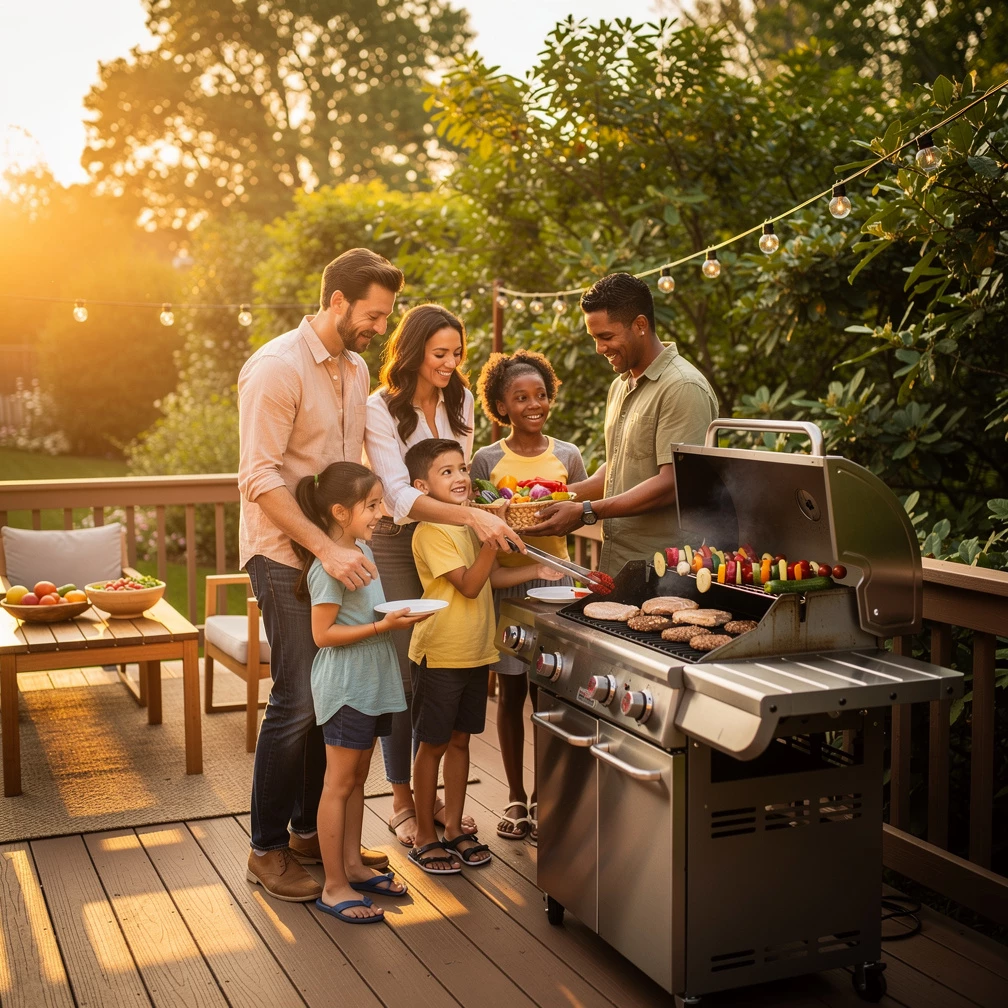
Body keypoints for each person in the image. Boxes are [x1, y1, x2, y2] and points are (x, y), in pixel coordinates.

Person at [239, 248, 404, 902]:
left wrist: (375, 512)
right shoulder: (276, 369)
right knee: (298, 699)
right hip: (284, 555)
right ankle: (266, 849)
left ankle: (311, 830)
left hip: (333, 556)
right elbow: (259, 479)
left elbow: (352, 460)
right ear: (336, 301)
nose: (379, 329)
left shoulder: (358, 368)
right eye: (372, 315)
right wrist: (325, 551)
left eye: (385, 317)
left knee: (329, 694)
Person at [364, 304, 524, 848]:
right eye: (440, 354)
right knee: (408, 674)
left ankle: (434, 797)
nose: (451, 364)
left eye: (457, 353)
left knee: (446, 670)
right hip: (396, 540)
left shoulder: (457, 399)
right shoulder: (379, 408)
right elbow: (398, 493)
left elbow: (459, 465)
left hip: (452, 532)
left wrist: (489, 507)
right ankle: (404, 800)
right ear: (411, 352)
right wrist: (471, 517)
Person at [403, 438, 562, 873]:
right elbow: (469, 585)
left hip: (476, 652)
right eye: (446, 472)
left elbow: (488, 578)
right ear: (421, 485)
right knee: (432, 745)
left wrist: (537, 570)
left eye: (461, 469)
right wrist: (493, 531)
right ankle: (423, 834)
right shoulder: (431, 531)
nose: (459, 478)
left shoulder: (472, 528)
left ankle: (453, 827)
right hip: (441, 653)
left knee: (460, 741)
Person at [290, 462, 428, 923]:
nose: (380, 512)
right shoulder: (330, 568)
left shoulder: (363, 548)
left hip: (373, 678)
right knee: (339, 782)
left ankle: (351, 865)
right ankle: (333, 886)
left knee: (359, 776)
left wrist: (393, 618)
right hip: (347, 684)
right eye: (371, 505)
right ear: (339, 512)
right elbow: (323, 634)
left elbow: (369, 611)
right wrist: (381, 626)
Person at [525, 272, 718, 575]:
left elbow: (674, 484)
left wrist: (587, 512)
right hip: (618, 565)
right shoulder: (621, 385)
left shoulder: (683, 387)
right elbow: (619, 468)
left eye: (606, 337)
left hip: (666, 570)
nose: (600, 349)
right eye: (594, 339)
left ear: (640, 325)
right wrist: (556, 498)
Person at [470, 349, 587, 845]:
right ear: (502, 404)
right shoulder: (488, 460)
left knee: (549, 693)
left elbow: (581, 508)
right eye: (521, 397)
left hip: (554, 585)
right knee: (512, 691)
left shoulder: (568, 455)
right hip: (507, 584)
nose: (533, 404)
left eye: (540, 395)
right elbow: (477, 522)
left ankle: (546, 798)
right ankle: (515, 796)